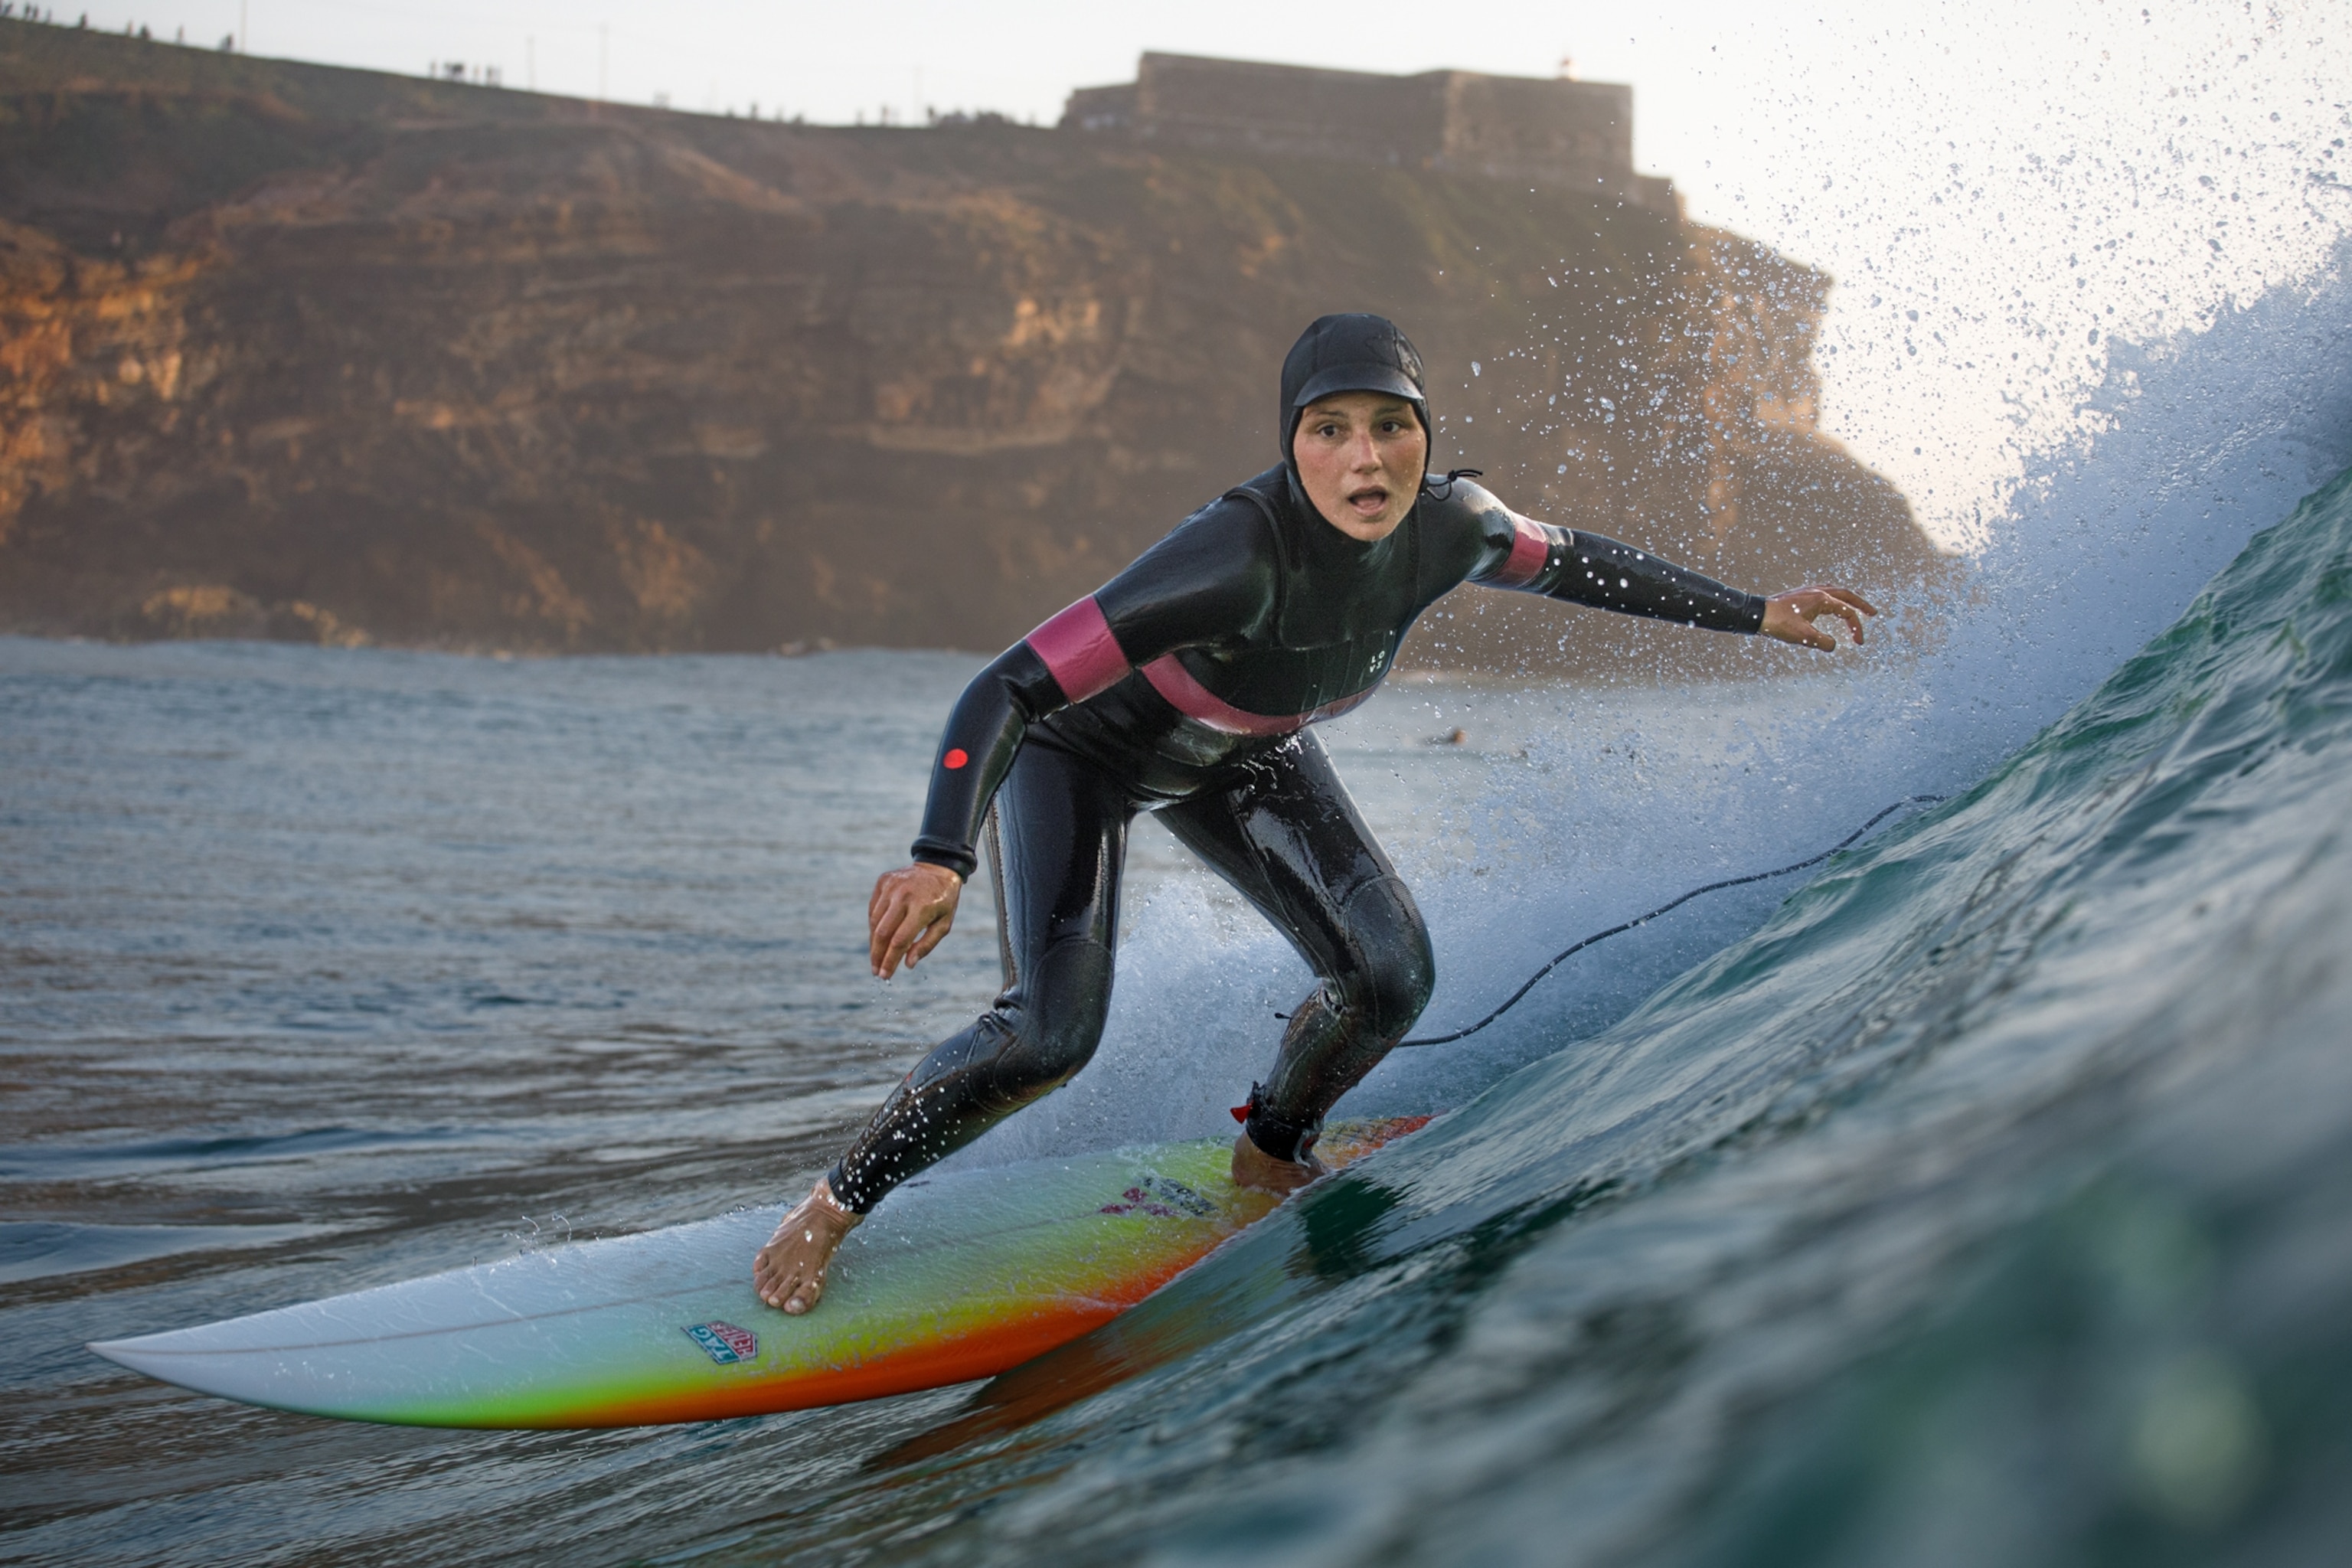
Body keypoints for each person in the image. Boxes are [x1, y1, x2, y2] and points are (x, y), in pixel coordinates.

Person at [753, 314, 1876, 1314]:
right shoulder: (1234, 558)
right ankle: (833, 1205)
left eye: (1391, 426)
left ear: (1429, 436)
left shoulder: (1461, 530)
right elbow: (1009, 685)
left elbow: (1582, 564)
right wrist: (939, 854)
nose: (1364, 458)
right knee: (1052, 1035)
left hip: (1243, 755)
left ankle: (1269, 1151)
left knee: (1391, 976)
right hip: (1079, 758)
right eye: (1328, 429)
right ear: (1290, 444)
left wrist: (1758, 613)